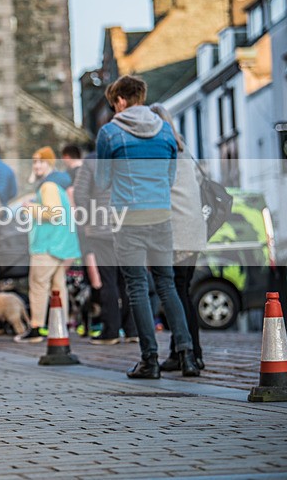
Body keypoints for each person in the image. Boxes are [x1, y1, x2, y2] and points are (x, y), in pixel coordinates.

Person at [95, 75, 199, 378]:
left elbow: (102, 180)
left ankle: (150, 360)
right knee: (167, 284)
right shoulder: (166, 131)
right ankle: (187, 355)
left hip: (129, 219)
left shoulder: (110, 133)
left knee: (138, 287)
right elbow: (169, 176)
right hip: (161, 216)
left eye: (114, 103)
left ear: (121, 101)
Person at [149, 103, 208, 371]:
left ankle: (188, 352)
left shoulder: (163, 150)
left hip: (177, 232)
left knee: (176, 292)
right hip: (194, 230)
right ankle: (187, 351)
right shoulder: (182, 147)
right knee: (183, 291)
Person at [73, 151, 137, 344]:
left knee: (108, 281)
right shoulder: (129, 157)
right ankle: (133, 329)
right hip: (127, 227)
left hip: (101, 229)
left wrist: (89, 217)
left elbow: (80, 193)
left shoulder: (92, 160)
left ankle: (110, 331)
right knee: (127, 281)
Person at [19, 147, 81, 342]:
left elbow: (53, 213)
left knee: (38, 286)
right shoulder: (57, 185)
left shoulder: (48, 187)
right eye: (35, 162)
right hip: (60, 245)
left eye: (42, 162)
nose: (37, 166)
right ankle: (58, 327)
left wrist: (31, 208)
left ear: (50, 164)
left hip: (46, 246)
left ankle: (36, 327)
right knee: (58, 288)